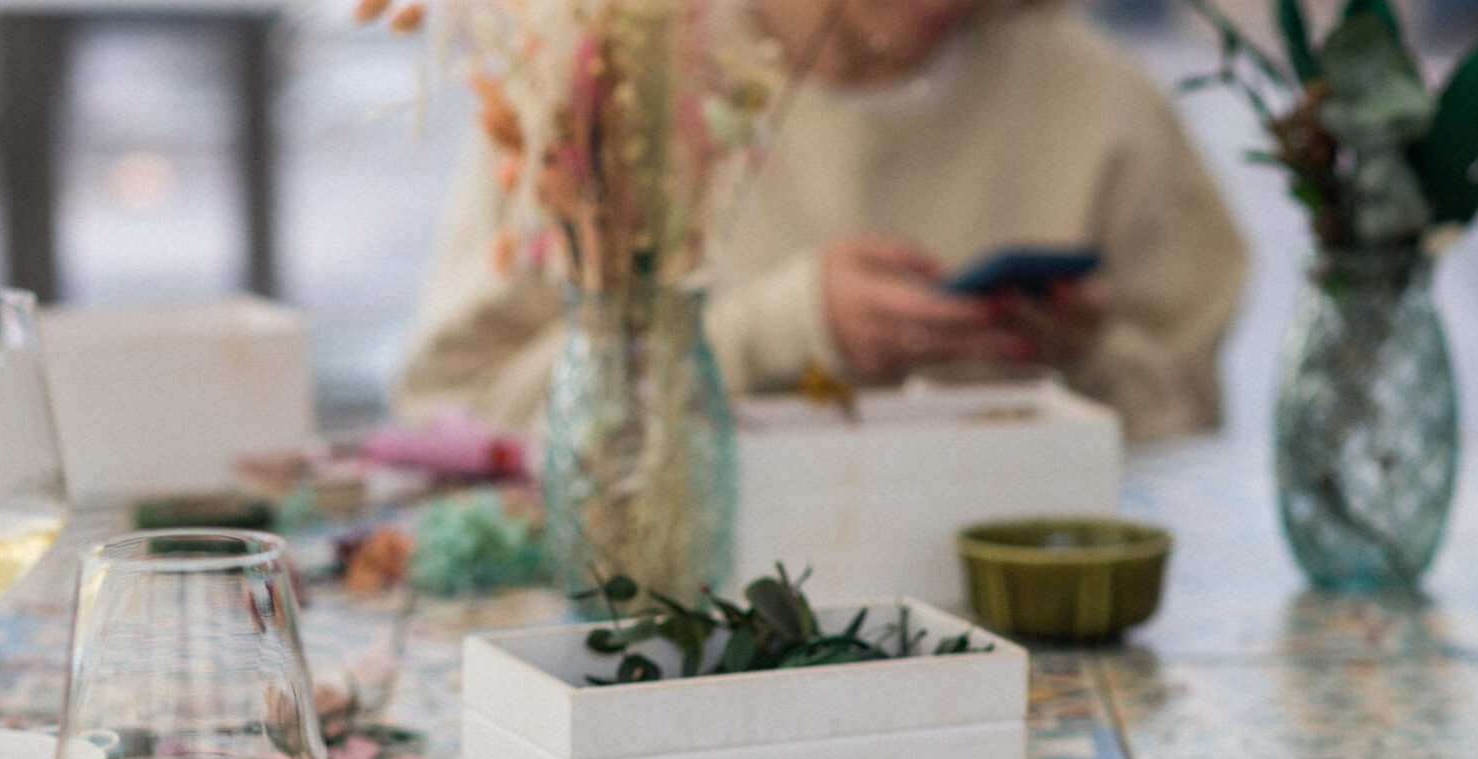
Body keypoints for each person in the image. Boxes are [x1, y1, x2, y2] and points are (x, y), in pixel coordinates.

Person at [394, 0, 1250, 442]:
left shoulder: (1097, 98)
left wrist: (1078, 364)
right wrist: (778, 332)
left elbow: (1187, 431)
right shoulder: (605, 82)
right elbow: (456, 424)